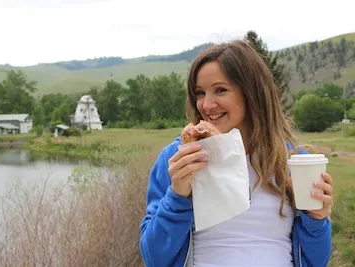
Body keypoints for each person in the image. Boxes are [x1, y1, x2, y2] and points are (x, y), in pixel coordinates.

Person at [139, 39, 333, 267]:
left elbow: (316, 261)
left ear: (252, 93)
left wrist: (317, 220)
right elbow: (154, 258)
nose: (206, 105)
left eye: (220, 90)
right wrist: (178, 196)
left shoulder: (292, 161)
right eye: (200, 93)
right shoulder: (179, 157)